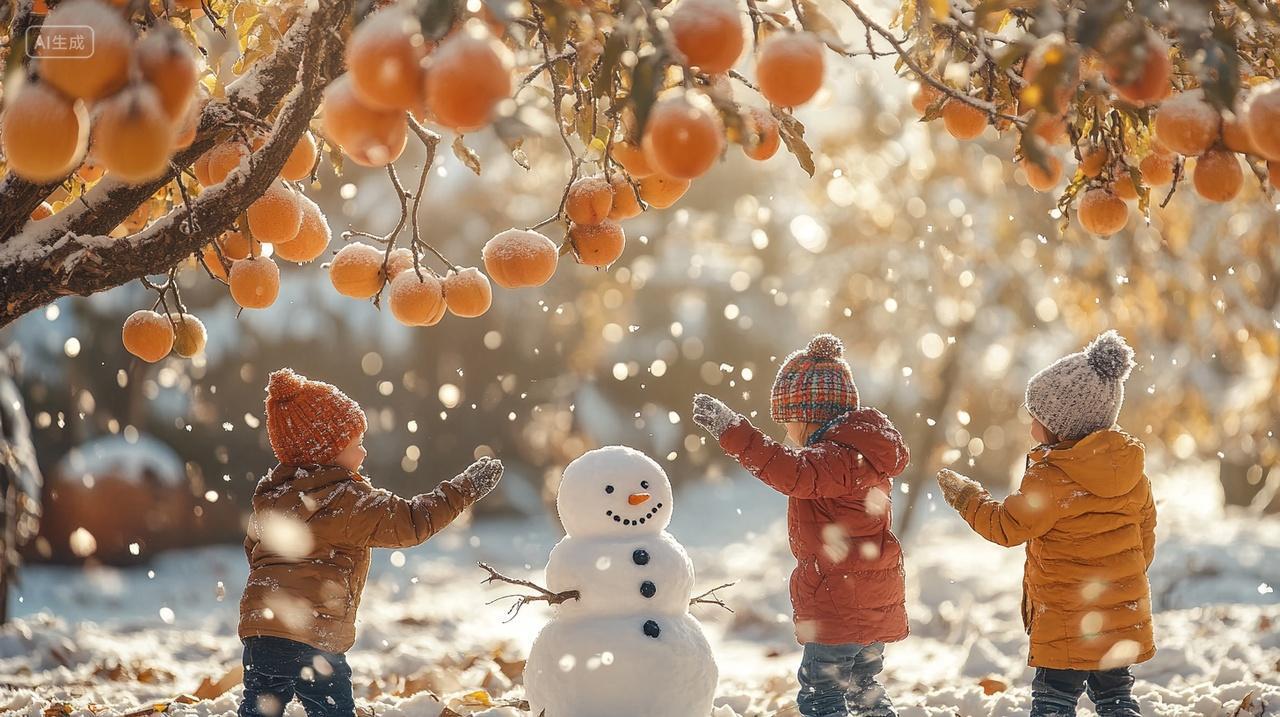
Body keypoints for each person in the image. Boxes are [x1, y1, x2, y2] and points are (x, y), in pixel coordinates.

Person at [238, 368, 503, 717]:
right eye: (356, 445)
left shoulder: (271, 496)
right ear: (327, 451)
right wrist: (464, 489)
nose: (363, 455)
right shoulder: (347, 499)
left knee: (260, 708)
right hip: (314, 634)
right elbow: (412, 521)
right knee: (332, 709)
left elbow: (254, 553)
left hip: (262, 629)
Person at [936, 330, 1156, 717]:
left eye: (1036, 418)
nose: (1030, 426)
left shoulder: (1052, 478)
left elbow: (1006, 526)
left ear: (1062, 426)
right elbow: (1145, 535)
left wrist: (967, 498)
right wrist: (1120, 580)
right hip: (1120, 613)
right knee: (1116, 696)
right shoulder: (1131, 470)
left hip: (1067, 621)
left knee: (1054, 698)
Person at [692, 334, 909, 717]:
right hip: (868, 598)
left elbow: (790, 472)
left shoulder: (833, 459)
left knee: (821, 695)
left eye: (788, 422)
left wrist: (733, 433)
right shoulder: (861, 455)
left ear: (810, 417)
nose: (787, 434)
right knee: (863, 687)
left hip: (840, 599)